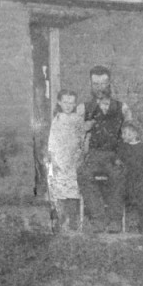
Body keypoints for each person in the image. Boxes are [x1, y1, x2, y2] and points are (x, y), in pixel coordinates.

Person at [77, 66, 132, 233]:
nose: (100, 88)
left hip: (113, 155)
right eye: (95, 84)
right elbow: (76, 137)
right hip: (92, 154)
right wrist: (83, 130)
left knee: (119, 174)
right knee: (83, 174)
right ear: (90, 84)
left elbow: (130, 135)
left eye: (103, 83)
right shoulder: (83, 108)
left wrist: (122, 155)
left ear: (109, 83)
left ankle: (115, 220)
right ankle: (98, 218)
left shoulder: (122, 108)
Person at [44, 89, 85, 232]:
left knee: (73, 189)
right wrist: (53, 160)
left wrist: (80, 155)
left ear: (75, 104)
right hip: (60, 158)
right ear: (59, 103)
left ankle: (74, 221)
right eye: (65, 102)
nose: (68, 105)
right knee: (60, 189)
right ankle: (61, 221)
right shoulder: (57, 119)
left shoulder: (78, 119)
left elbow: (81, 138)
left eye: (71, 103)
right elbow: (52, 140)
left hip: (73, 158)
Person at [118, 121, 143, 233]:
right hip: (128, 178)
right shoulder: (123, 147)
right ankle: (130, 223)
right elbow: (119, 161)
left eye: (127, 133)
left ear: (135, 134)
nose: (124, 136)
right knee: (130, 195)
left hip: (142, 178)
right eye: (123, 133)